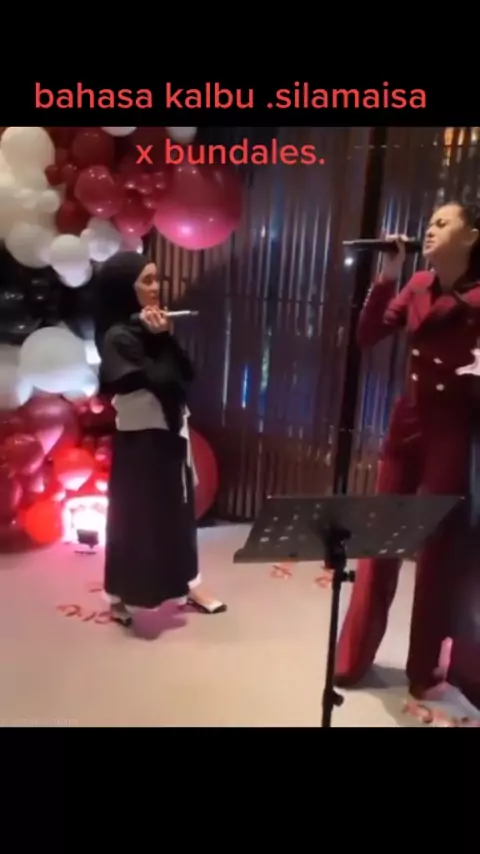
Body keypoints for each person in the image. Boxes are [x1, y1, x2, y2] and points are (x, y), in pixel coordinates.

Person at [334, 201, 480, 724]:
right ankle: (353, 658)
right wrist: (388, 275)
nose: (429, 229)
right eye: (430, 222)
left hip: (453, 431)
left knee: (438, 554)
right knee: (380, 540)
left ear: (472, 236)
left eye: (443, 222)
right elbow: (368, 334)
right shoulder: (418, 284)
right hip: (407, 425)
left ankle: (424, 668)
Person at [93, 251, 227, 631]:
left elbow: (186, 373)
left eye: (156, 280)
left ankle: (188, 583)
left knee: (178, 512)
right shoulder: (117, 336)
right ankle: (122, 593)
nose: (156, 288)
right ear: (126, 288)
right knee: (135, 519)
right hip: (141, 439)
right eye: (147, 281)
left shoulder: (152, 327)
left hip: (171, 430)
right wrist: (160, 340)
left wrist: (165, 338)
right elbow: (158, 380)